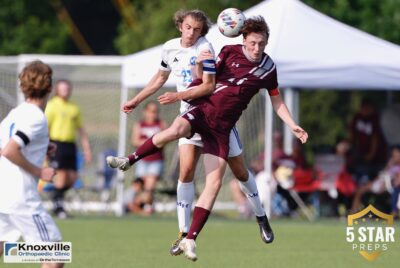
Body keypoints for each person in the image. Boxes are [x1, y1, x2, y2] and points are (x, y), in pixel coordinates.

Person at [107, 16, 308, 261]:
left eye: (262, 44)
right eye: (253, 43)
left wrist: (293, 125)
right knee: (181, 148)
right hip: (200, 111)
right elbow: (206, 82)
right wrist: (192, 81)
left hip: (223, 127)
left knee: (235, 175)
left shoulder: (268, 67)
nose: (257, 48)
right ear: (243, 39)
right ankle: (181, 230)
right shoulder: (226, 51)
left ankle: (260, 217)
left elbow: (275, 99)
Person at [0, 61, 64, 268]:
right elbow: (10, 150)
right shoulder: (36, 117)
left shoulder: (16, 113)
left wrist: (41, 147)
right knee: (56, 255)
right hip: (21, 197)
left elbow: (6, 146)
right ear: (49, 87)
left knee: (3, 247)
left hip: (3, 193)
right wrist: (39, 170)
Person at [45, 79, 92, 219]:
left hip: (70, 145)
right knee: (61, 176)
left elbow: (81, 130)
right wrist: (45, 148)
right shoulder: (52, 106)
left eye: (67, 88)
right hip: (56, 144)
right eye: (62, 88)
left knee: (72, 177)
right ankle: (59, 207)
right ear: (57, 90)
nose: (65, 90)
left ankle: (55, 199)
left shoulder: (73, 107)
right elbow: (45, 128)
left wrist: (87, 149)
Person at [131, 101, 166, 204]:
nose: (152, 114)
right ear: (145, 112)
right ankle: (139, 206)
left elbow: (165, 141)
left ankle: (145, 207)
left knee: (149, 187)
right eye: (150, 111)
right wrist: (152, 142)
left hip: (156, 160)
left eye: (155, 111)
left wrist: (148, 142)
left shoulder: (161, 124)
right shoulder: (139, 125)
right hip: (142, 160)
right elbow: (135, 141)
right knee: (138, 186)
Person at [351, 145, 400, 216]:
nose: (394, 156)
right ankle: (354, 212)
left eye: (396, 154)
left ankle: (394, 213)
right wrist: (389, 165)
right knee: (359, 190)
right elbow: (382, 174)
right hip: (380, 182)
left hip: (389, 186)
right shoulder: (391, 165)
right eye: (393, 154)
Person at [349, 97, 387, 185]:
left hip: (377, 155)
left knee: (371, 174)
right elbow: (352, 134)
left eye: (367, 108)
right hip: (361, 152)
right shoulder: (357, 117)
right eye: (363, 108)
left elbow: (375, 138)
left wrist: (371, 154)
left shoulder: (375, 118)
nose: (364, 110)